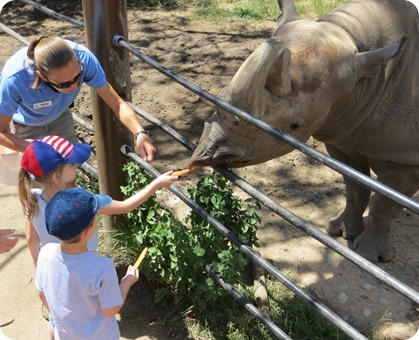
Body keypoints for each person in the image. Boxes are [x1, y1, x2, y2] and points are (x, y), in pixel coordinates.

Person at [18, 135, 177, 266]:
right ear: (56, 177)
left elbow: (32, 238)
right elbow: (125, 206)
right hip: (83, 263)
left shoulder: (31, 198)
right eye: (73, 164)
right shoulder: (82, 201)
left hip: (53, 264)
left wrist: (39, 268)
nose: (77, 166)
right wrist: (156, 184)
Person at [0, 36, 155, 161]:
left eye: (78, 78)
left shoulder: (84, 58)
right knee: (37, 182)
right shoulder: (14, 78)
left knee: (69, 169)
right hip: (26, 124)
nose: (74, 87)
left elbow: (118, 104)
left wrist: (140, 133)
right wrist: (34, 148)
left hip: (60, 114)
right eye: (64, 84)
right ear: (42, 76)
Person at [36, 187, 139, 339]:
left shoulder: (45, 252)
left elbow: (42, 293)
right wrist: (126, 282)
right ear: (87, 232)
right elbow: (111, 310)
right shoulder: (102, 267)